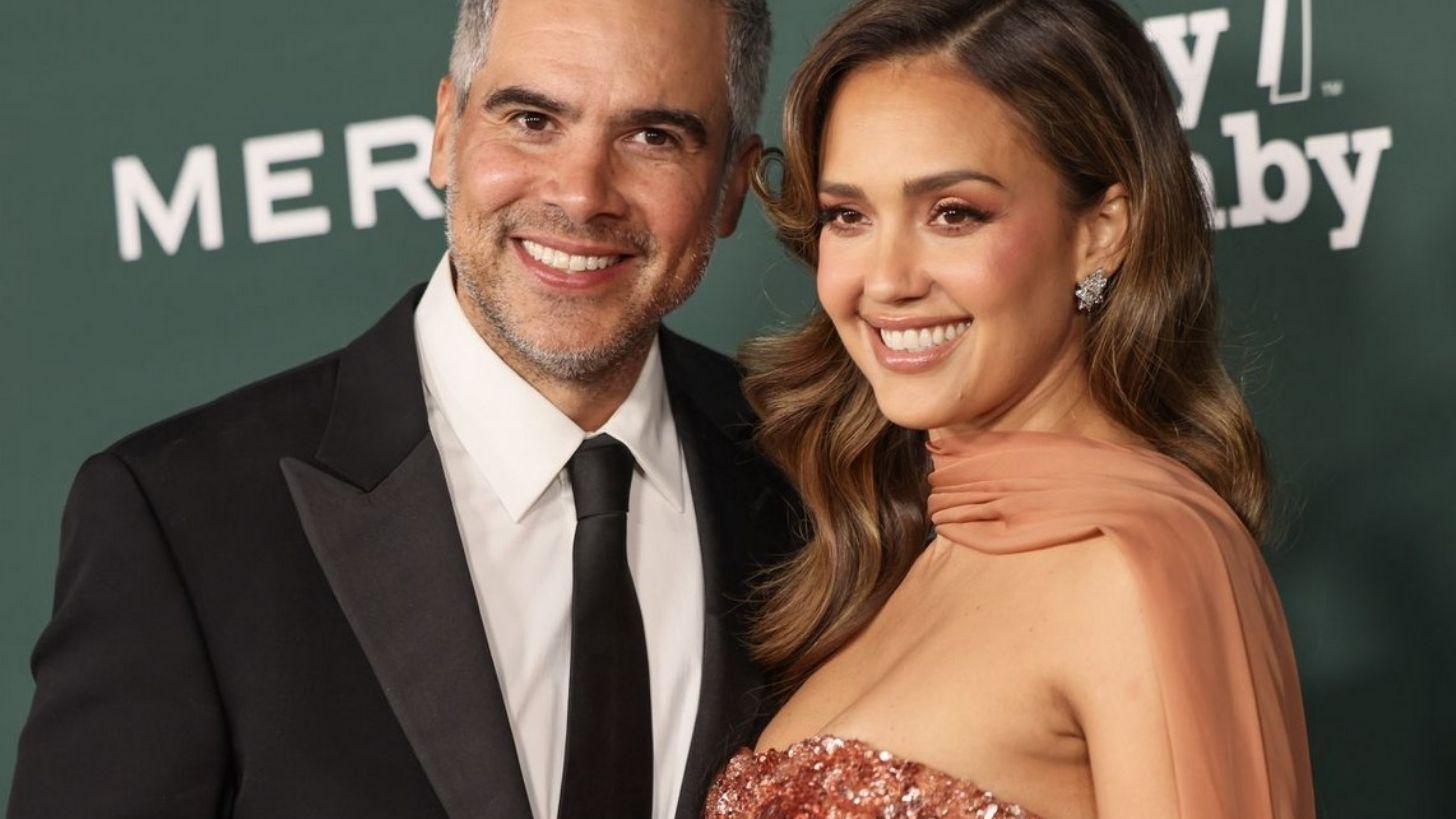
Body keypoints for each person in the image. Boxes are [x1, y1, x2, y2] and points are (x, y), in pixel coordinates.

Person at [8, 1, 798, 818]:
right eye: (532, 120)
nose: (581, 193)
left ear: (732, 185)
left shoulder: (812, 478)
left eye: (653, 137)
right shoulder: (179, 519)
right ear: (447, 130)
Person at [703, 0, 1315, 817]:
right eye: (849, 216)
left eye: (953, 214)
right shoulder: (905, 559)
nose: (886, 280)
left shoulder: (1143, 564)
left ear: (1101, 231)